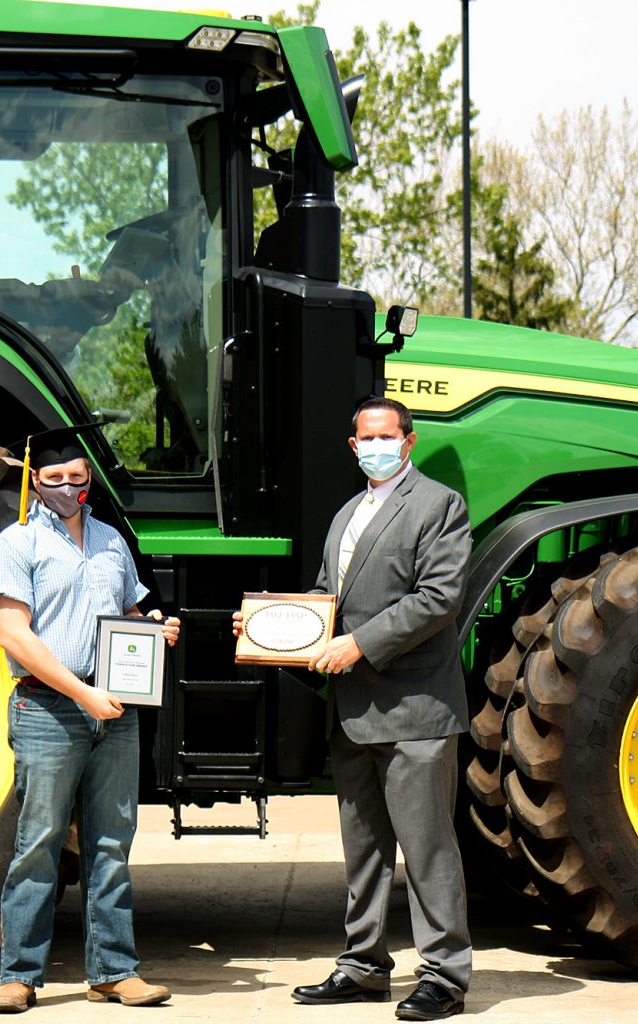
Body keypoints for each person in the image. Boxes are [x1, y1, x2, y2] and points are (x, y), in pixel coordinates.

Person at [240, 396, 473, 1021]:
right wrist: (271, 626)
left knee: (426, 847)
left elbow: (438, 598)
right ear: (353, 445)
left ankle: (445, 974)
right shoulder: (347, 514)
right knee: (363, 847)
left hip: (416, 708)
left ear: (409, 440)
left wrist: (360, 644)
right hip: (354, 710)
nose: (375, 445)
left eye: (386, 435)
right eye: (365, 437)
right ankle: (364, 965)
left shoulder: (438, 505)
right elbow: (325, 598)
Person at [0, 430, 181, 1014]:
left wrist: (154, 627)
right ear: (35, 481)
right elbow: (13, 633)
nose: (68, 487)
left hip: (113, 714)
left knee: (111, 844)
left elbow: (125, 612)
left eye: (78, 477)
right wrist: (82, 692)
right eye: (55, 479)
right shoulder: (16, 544)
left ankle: (114, 972)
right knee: (38, 843)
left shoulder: (110, 540)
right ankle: (20, 975)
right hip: (47, 707)